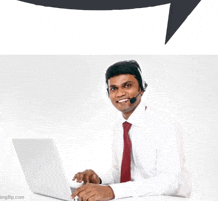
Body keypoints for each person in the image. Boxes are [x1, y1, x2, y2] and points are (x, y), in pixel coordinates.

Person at [71, 60, 191, 201]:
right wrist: (99, 179)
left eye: (127, 86)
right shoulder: (120, 126)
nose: (120, 93)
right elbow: (120, 172)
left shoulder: (164, 124)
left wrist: (113, 191)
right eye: (114, 88)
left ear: (141, 88)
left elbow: (171, 181)